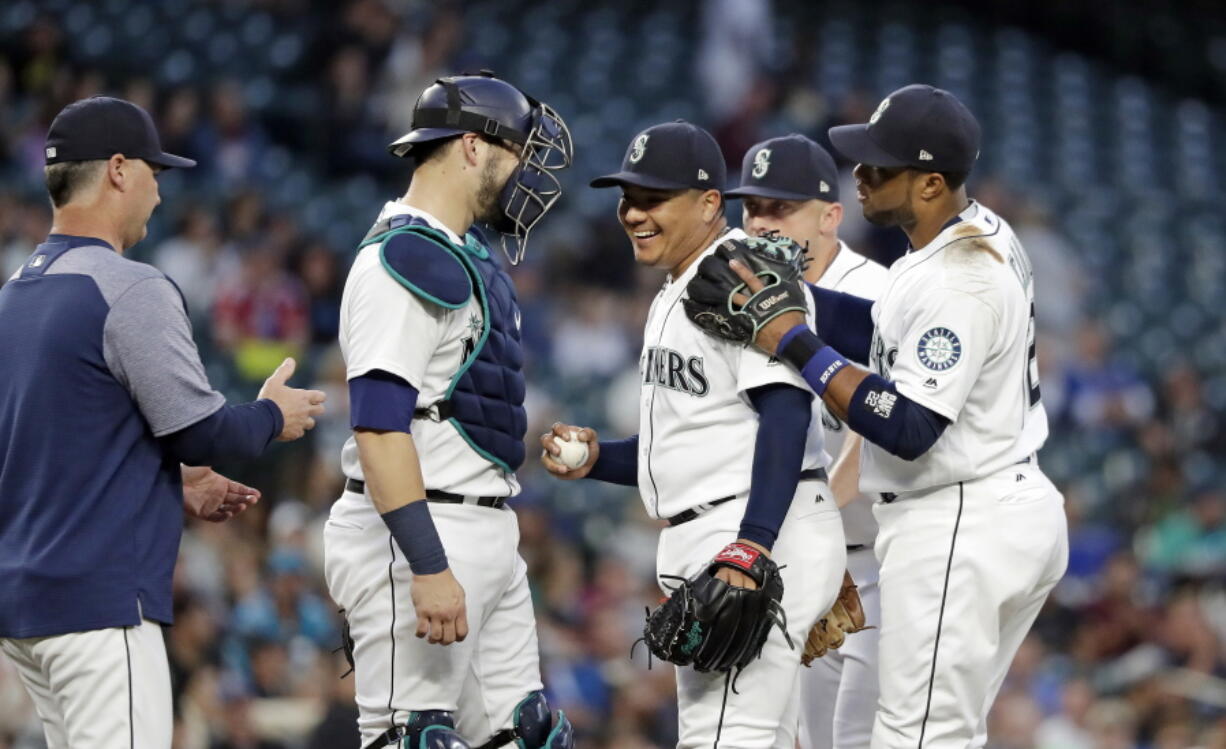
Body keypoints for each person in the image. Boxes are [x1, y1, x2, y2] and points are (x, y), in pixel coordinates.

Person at [687, 84, 1069, 749]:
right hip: (997, 507)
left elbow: (909, 427)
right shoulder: (967, 236)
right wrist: (797, 299)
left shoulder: (961, 276)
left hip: (959, 518)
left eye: (879, 167)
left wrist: (794, 339)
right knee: (935, 731)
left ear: (928, 185)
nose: (858, 174)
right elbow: (892, 324)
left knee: (915, 738)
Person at [0, 95, 325, 749]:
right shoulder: (128, 286)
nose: (158, 191)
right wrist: (271, 415)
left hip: (25, 606)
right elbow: (203, 432)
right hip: (99, 605)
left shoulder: (12, 294)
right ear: (119, 169)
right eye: (154, 171)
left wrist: (174, 483)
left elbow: (50, 449)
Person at [543, 120, 846, 748]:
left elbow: (788, 414)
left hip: (754, 531)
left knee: (726, 738)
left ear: (710, 202)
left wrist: (752, 548)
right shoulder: (676, 286)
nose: (633, 212)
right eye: (628, 198)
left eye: (654, 198)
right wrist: (598, 459)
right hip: (723, 527)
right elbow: (687, 447)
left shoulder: (743, 272)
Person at [322, 72, 574, 749]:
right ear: (471, 145)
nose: (526, 171)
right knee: (414, 737)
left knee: (529, 735)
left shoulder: (466, 253)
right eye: (517, 150)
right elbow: (378, 426)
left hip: (485, 524)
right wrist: (428, 564)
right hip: (420, 531)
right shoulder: (403, 257)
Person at [725, 133, 888, 749]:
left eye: (781, 208)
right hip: (807, 555)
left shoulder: (875, 292)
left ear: (830, 215)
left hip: (881, 555)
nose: (763, 223)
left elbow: (873, 434)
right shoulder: (737, 299)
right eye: (753, 208)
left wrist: (794, 531)